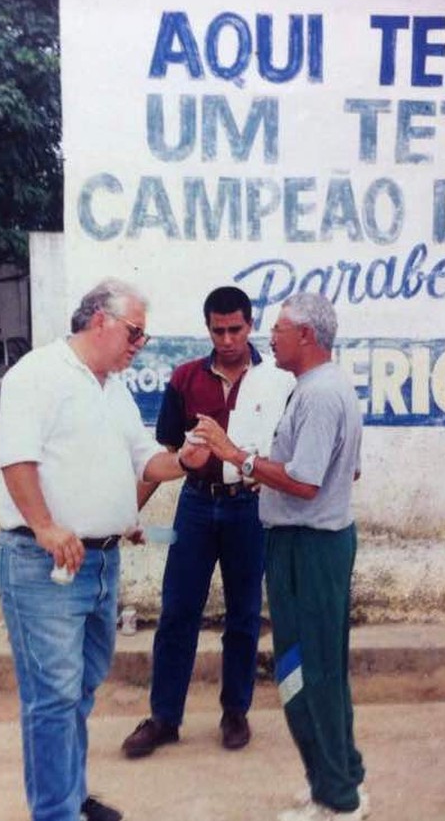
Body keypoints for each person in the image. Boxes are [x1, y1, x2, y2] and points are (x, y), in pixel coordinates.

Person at [0, 277, 210, 821]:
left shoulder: (113, 389)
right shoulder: (37, 376)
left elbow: (145, 461)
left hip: (101, 564)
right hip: (44, 566)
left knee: (79, 691)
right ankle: (56, 813)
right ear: (99, 321)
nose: (140, 344)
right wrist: (44, 526)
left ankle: (72, 796)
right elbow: (16, 459)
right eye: (135, 332)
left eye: (145, 336)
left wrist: (184, 459)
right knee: (52, 699)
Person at [194, 292, 369, 821]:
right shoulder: (323, 386)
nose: (270, 337)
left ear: (307, 337)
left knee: (304, 672)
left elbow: (306, 483)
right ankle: (340, 780)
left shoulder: (318, 396)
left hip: (306, 548)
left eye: (279, 329)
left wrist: (237, 458)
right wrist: (267, 474)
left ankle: (335, 800)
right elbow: (344, 472)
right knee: (323, 668)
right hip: (316, 544)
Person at [121, 286, 294, 759]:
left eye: (235, 329)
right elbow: (165, 457)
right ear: (208, 329)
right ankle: (164, 718)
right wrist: (127, 511)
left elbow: (291, 449)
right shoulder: (184, 379)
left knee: (242, 615)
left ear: (250, 324)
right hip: (195, 507)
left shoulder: (277, 380)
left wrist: (272, 483)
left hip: (249, 509)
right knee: (177, 610)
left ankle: (235, 711)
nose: (227, 339)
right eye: (218, 330)